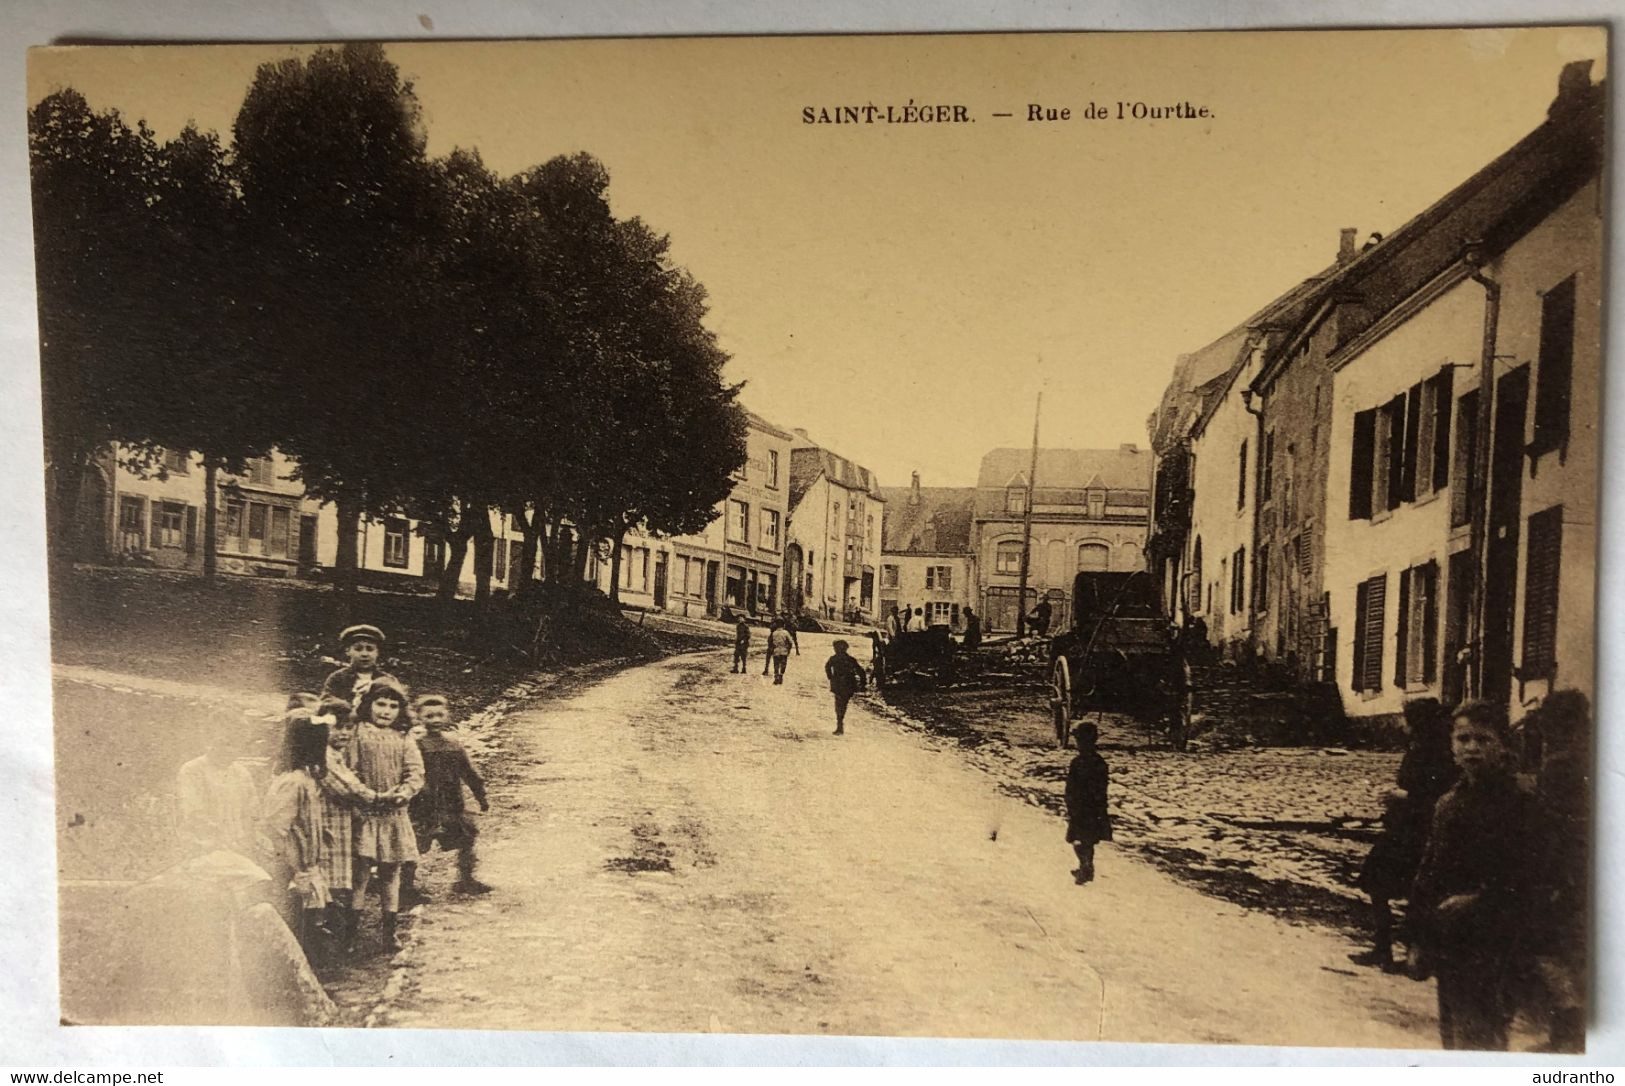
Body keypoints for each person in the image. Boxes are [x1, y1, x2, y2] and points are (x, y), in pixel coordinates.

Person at [1408, 700, 1535, 1051]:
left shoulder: (1518, 802)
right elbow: (1428, 871)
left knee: (1481, 1034)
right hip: (1451, 938)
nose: (1472, 748)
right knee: (1453, 1031)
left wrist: (1480, 899)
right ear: (1451, 745)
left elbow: (1531, 872)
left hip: (1497, 938)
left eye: (1483, 739)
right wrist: (1417, 937)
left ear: (1502, 745)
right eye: (1463, 739)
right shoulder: (1448, 802)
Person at [1349, 698, 1457, 973]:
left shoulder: (1436, 752)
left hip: (1415, 832)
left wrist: (1400, 795)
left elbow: (1437, 795)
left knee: (1394, 887)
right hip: (1403, 828)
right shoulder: (1421, 747)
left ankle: (1403, 953)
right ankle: (1386, 949)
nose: (1401, 724)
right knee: (1385, 886)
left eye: (1406, 718)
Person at [1526, 689, 1590, 1052]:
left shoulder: (1558, 765)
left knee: (1547, 948)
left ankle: (1566, 1030)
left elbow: (1548, 822)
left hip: (1563, 868)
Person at [347, 678, 424, 953]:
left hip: (393, 814)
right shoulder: (357, 733)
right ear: (368, 705)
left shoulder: (404, 737)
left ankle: (389, 932)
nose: (386, 711)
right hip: (366, 813)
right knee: (361, 875)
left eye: (393, 706)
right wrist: (366, 794)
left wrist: (404, 792)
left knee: (391, 874)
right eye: (380, 704)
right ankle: (351, 934)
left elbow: (415, 772)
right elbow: (350, 769)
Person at [257, 709, 336, 959]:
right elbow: (275, 827)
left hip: (306, 862)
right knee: (295, 921)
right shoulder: (292, 782)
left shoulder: (306, 779)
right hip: (293, 864)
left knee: (309, 919)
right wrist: (292, 868)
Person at [404, 694, 492, 903]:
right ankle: (405, 888)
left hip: (452, 805)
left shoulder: (454, 745)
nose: (435, 719)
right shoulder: (415, 745)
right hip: (423, 806)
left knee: (466, 837)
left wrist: (481, 796)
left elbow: (469, 772)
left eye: (439, 715)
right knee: (413, 845)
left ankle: (466, 878)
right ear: (418, 718)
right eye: (429, 716)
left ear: (448, 716)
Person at [310, 697, 379, 955]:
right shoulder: (322, 755)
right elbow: (346, 788)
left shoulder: (338, 754)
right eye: (336, 727)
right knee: (328, 880)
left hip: (342, 825)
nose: (343, 733)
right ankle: (325, 942)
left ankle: (338, 938)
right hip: (328, 826)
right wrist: (378, 798)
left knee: (342, 879)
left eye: (348, 728)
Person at [176, 722, 260, 858]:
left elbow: (252, 813)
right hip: (203, 846)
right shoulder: (192, 770)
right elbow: (194, 814)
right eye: (224, 743)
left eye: (235, 744)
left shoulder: (242, 773)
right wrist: (222, 841)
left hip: (238, 847)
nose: (230, 750)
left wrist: (248, 842)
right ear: (210, 742)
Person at [1064, 722, 1113, 884]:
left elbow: (1071, 787)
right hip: (1094, 807)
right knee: (1088, 840)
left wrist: (1071, 804)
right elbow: (1101, 788)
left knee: (1078, 840)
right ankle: (1085, 866)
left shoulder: (1078, 763)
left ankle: (1086, 867)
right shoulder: (1100, 762)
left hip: (1081, 807)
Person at [320, 624, 399, 710]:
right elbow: (326, 702)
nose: (364, 654)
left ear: (377, 652)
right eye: (358, 649)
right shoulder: (337, 678)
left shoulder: (388, 680)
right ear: (348, 651)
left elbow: (400, 706)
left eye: (370, 649)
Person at [824, 639, 866, 736]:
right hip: (849, 685)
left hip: (839, 685)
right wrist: (863, 684)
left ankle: (840, 723)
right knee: (843, 703)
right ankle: (840, 722)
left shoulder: (833, 658)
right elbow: (861, 671)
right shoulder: (850, 659)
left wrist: (831, 677)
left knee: (839, 704)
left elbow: (827, 668)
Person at [767, 620, 796, 684]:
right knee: (783, 664)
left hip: (776, 651)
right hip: (784, 651)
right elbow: (790, 642)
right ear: (783, 625)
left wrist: (772, 648)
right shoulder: (786, 633)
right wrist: (789, 650)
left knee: (776, 664)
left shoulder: (774, 633)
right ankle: (781, 675)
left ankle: (776, 676)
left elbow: (769, 642)